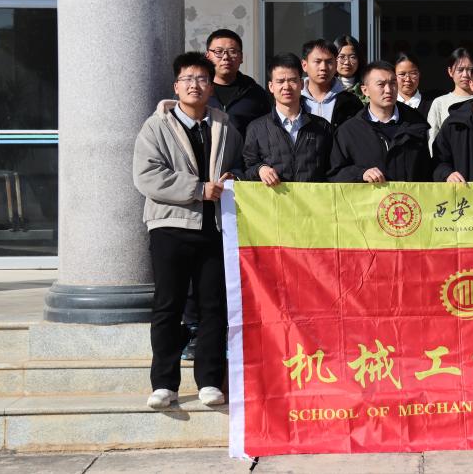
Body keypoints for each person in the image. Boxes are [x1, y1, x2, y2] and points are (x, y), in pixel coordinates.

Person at [132, 52, 243, 410]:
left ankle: (209, 380)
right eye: (187, 79)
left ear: (211, 87)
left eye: (202, 79)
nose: (195, 85)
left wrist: (234, 178)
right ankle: (164, 383)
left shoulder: (225, 126)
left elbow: (238, 165)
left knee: (213, 305)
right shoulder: (156, 127)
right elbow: (147, 176)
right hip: (170, 225)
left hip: (214, 228)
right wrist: (197, 189)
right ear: (176, 86)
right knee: (168, 304)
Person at [328, 61, 432, 183]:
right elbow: (334, 174)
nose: (388, 90)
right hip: (368, 195)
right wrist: (361, 174)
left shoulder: (416, 123)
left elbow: (427, 171)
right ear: (365, 90)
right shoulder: (348, 131)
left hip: (409, 195)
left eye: (393, 83)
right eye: (381, 84)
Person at [243, 52, 333, 184]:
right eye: (280, 81)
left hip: (313, 197)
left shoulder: (322, 127)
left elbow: (332, 170)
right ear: (271, 87)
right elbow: (247, 167)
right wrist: (260, 169)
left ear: (302, 84)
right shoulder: (256, 128)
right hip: (273, 197)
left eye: (292, 80)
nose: (286, 87)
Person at [205, 29, 271, 136]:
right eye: (218, 51)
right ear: (207, 56)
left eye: (232, 51)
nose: (225, 57)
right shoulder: (197, 91)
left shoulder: (256, 94)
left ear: (241, 57)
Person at [300, 39, 363, 126]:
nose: (323, 68)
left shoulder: (351, 102)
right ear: (304, 65)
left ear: (336, 65)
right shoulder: (294, 99)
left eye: (329, 62)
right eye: (317, 62)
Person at [427, 48, 473, 150]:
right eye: (460, 70)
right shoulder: (439, 103)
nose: (465, 75)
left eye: (470, 69)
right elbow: (432, 138)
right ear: (450, 71)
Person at [394, 51, 434, 117]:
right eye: (402, 74)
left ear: (419, 74)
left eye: (413, 73)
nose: (408, 79)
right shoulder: (388, 104)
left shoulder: (433, 104)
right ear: (393, 75)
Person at [333, 34, 367, 101]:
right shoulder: (327, 86)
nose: (347, 63)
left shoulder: (367, 86)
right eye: (342, 57)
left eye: (352, 57)